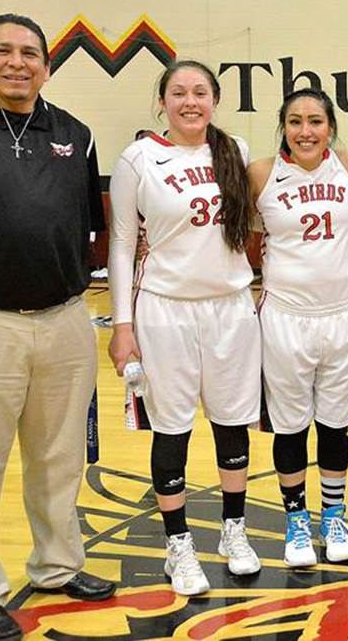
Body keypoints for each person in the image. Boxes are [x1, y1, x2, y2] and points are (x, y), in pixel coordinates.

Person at [0, 13, 115, 641]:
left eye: (31, 53)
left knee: (59, 458)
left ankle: (58, 565)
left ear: (47, 63)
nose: (18, 63)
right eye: (4, 52)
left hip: (65, 319)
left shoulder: (75, 132)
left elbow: (88, 227)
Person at [108, 60, 262, 597]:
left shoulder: (235, 152)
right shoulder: (138, 158)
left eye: (200, 92)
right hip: (165, 310)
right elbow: (123, 244)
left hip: (230, 308)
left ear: (215, 100)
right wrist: (122, 324)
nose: (190, 101)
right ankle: (178, 546)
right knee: (171, 427)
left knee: (231, 420)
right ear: (163, 101)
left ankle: (233, 532)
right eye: (179, 92)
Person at [249, 89, 348, 568]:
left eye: (315, 121)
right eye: (295, 121)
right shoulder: (261, 172)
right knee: (291, 424)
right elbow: (246, 241)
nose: (305, 131)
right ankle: (296, 520)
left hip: (343, 313)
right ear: (283, 127)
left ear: (330, 127)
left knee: (335, 424)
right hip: (285, 317)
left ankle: (333, 516)